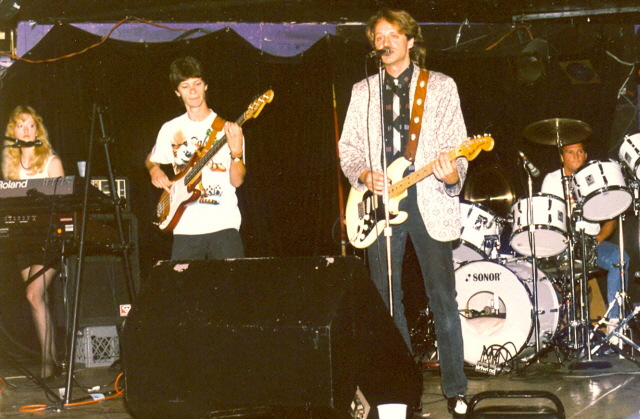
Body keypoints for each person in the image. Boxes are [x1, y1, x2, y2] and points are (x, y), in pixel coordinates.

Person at [339, 9, 468, 417]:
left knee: (442, 298)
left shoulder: (442, 87)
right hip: (380, 204)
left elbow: (459, 149)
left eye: (394, 34)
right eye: (379, 34)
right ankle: (400, 389)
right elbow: (348, 149)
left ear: (410, 41)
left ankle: (456, 389)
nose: (385, 40)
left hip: (428, 197)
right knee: (385, 300)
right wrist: (362, 172)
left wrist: (451, 175)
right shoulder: (364, 91)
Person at [145, 56, 246, 260]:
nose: (193, 91)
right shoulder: (170, 129)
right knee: (184, 291)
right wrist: (154, 170)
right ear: (177, 92)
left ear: (205, 86)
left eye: (197, 84)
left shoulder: (228, 129)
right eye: (185, 86)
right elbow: (152, 158)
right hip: (185, 228)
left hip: (224, 225)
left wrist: (236, 154)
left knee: (231, 290)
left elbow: (237, 180)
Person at [1, 105, 64, 379]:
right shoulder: (9, 162)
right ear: (13, 131)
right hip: (23, 238)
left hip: (48, 236)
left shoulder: (51, 161)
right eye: (21, 125)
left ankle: (48, 362)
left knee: (34, 294)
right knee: (37, 299)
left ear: (38, 130)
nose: (26, 130)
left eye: (31, 125)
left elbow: (63, 202)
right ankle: (52, 358)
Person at [540, 142, 629, 325]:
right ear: (562, 157)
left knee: (620, 259)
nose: (576, 156)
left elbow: (611, 218)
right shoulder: (552, 180)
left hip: (590, 241)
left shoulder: (594, 177)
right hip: (562, 244)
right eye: (570, 152)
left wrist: (598, 240)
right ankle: (553, 324)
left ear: (586, 155)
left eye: (580, 151)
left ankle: (615, 326)